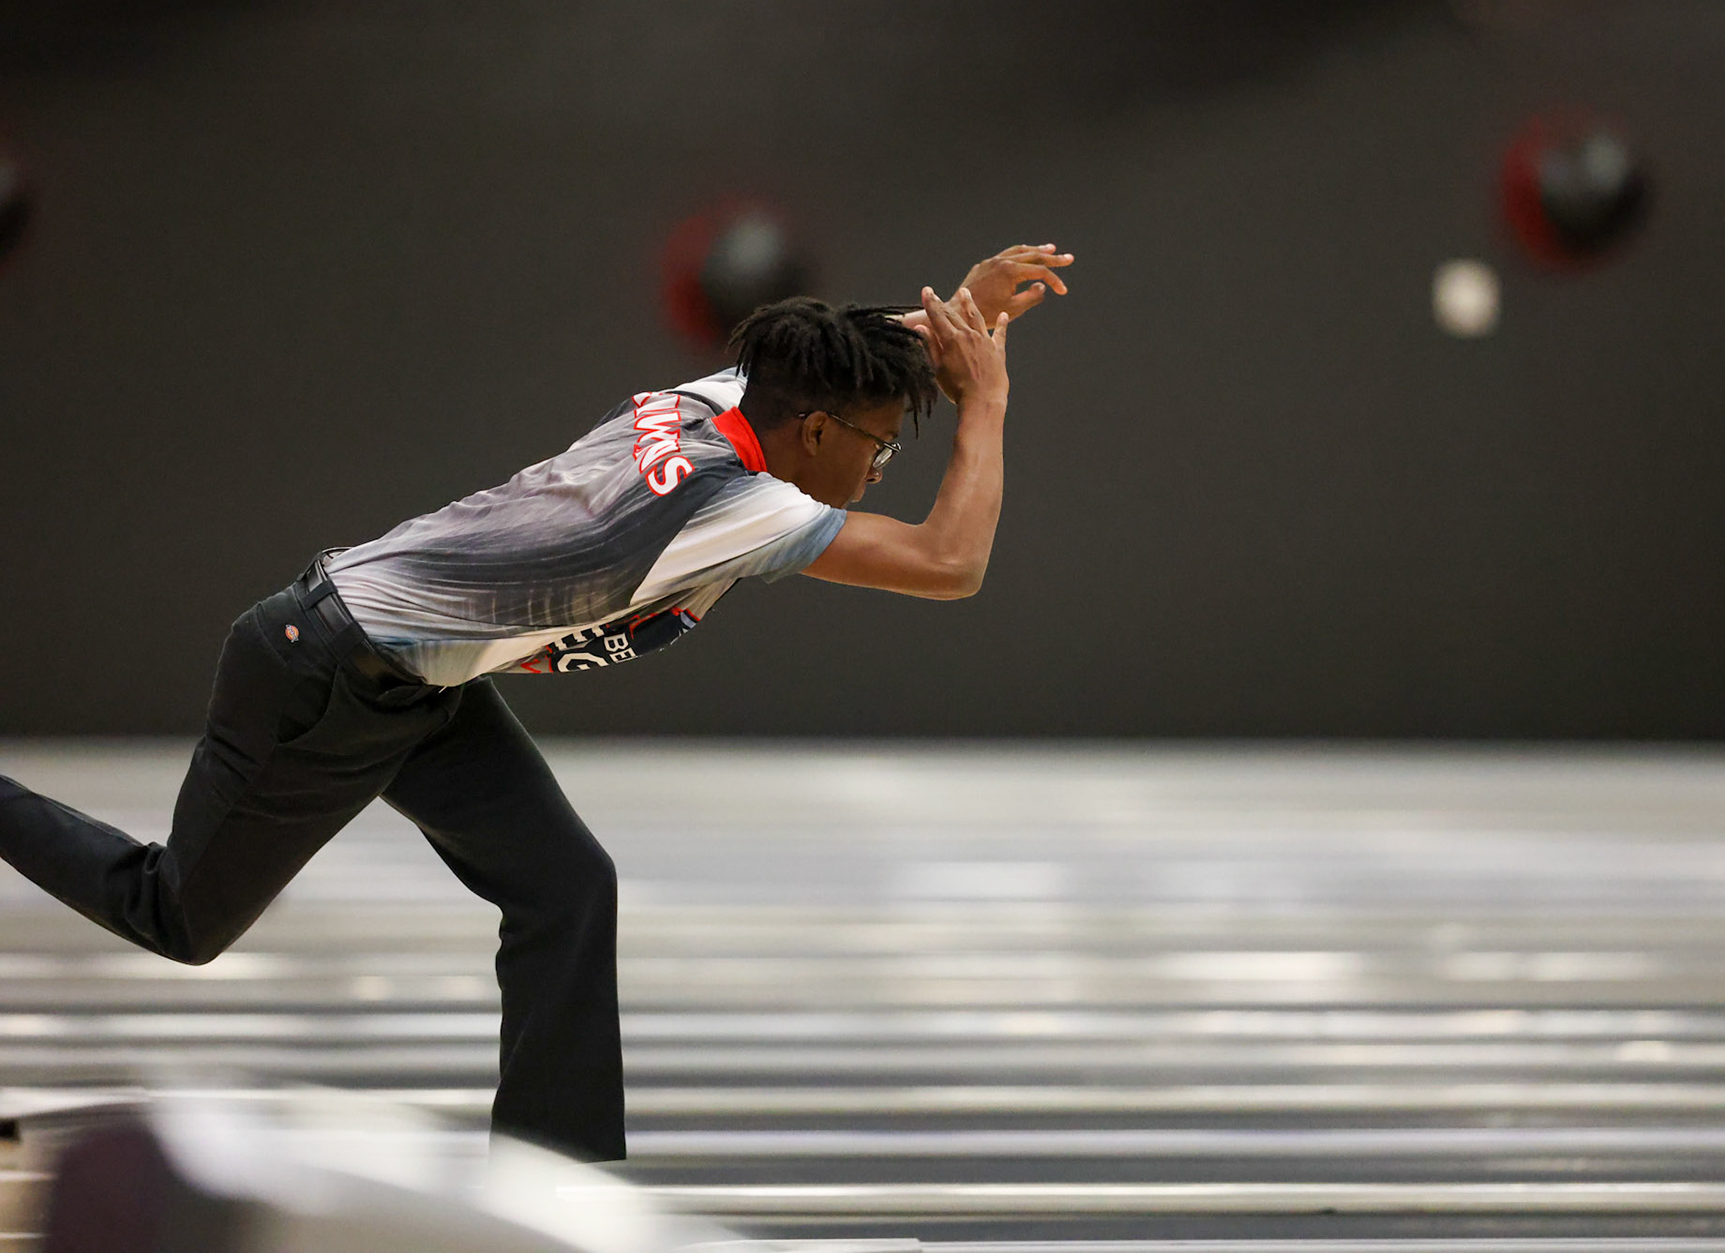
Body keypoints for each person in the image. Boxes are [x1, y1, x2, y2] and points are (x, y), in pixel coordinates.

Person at [0, 243, 1073, 1163]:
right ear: (819, 434)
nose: (883, 466)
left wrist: (965, 311)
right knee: (176, 916)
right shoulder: (731, 505)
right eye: (881, 446)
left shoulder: (717, 400)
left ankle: (548, 1183)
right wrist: (992, 398)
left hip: (414, 679)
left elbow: (831, 357)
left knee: (565, 887)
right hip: (321, 674)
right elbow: (949, 561)